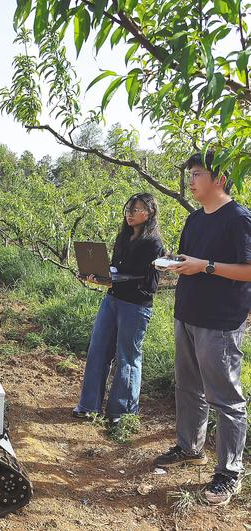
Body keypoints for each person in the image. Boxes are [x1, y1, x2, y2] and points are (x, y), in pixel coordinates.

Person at [153, 151, 250, 506]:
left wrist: (205, 265)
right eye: (190, 174)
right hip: (187, 314)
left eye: (196, 174)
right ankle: (190, 448)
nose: (190, 181)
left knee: (226, 399)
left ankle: (229, 473)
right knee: (188, 387)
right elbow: (189, 260)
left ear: (219, 179)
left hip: (220, 322)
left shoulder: (239, 219)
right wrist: (176, 263)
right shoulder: (195, 219)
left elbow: (248, 269)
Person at [73, 193, 164, 426]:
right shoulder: (123, 238)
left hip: (135, 306)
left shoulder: (153, 244)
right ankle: (88, 405)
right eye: (128, 210)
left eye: (135, 210)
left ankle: (121, 412)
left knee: (127, 357)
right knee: (98, 349)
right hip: (113, 299)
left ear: (149, 213)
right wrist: (98, 276)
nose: (130, 214)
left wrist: (114, 278)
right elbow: (114, 268)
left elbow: (146, 281)